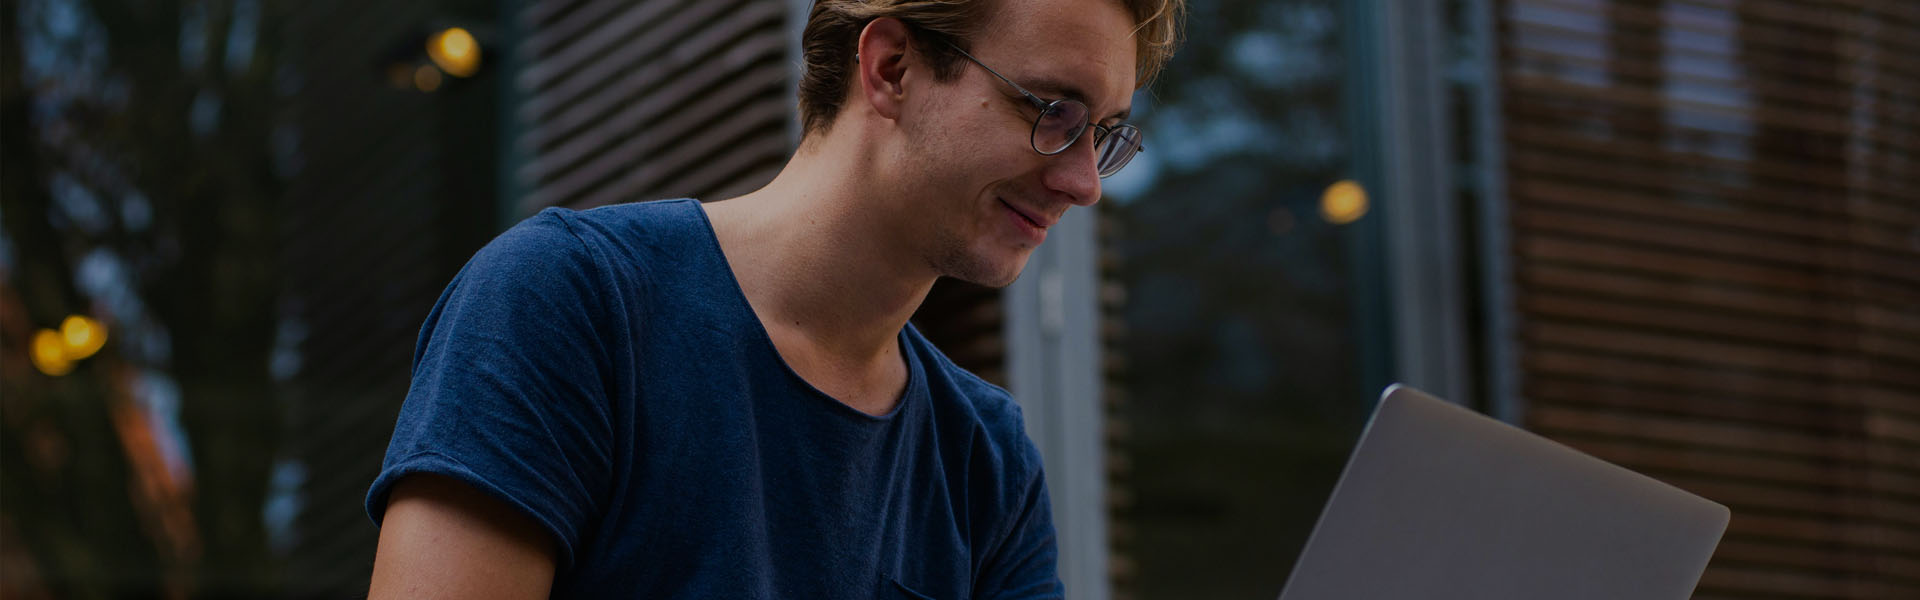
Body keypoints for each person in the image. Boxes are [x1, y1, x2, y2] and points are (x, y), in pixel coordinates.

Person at [364, 0, 1183, 597]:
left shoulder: (986, 463)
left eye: (1103, 134)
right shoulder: (572, 299)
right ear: (891, 68)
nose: (1082, 183)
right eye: (1051, 111)